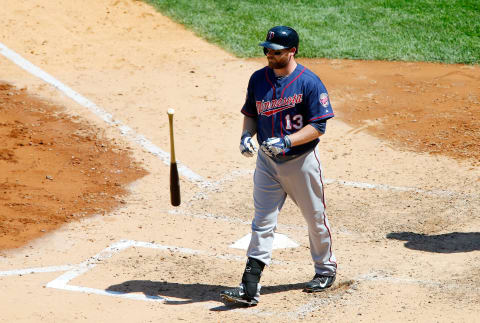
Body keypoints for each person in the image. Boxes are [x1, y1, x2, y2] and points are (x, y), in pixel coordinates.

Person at [220, 26, 337, 306]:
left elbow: (318, 127)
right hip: (267, 162)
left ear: (292, 51)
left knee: (315, 219)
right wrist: (246, 135)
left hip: (301, 163)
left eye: (276, 52)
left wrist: (287, 141)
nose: (270, 56)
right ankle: (250, 287)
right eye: (267, 51)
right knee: (262, 221)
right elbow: (251, 113)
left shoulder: (309, 82)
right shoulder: (258, 79)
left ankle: (326, 270)